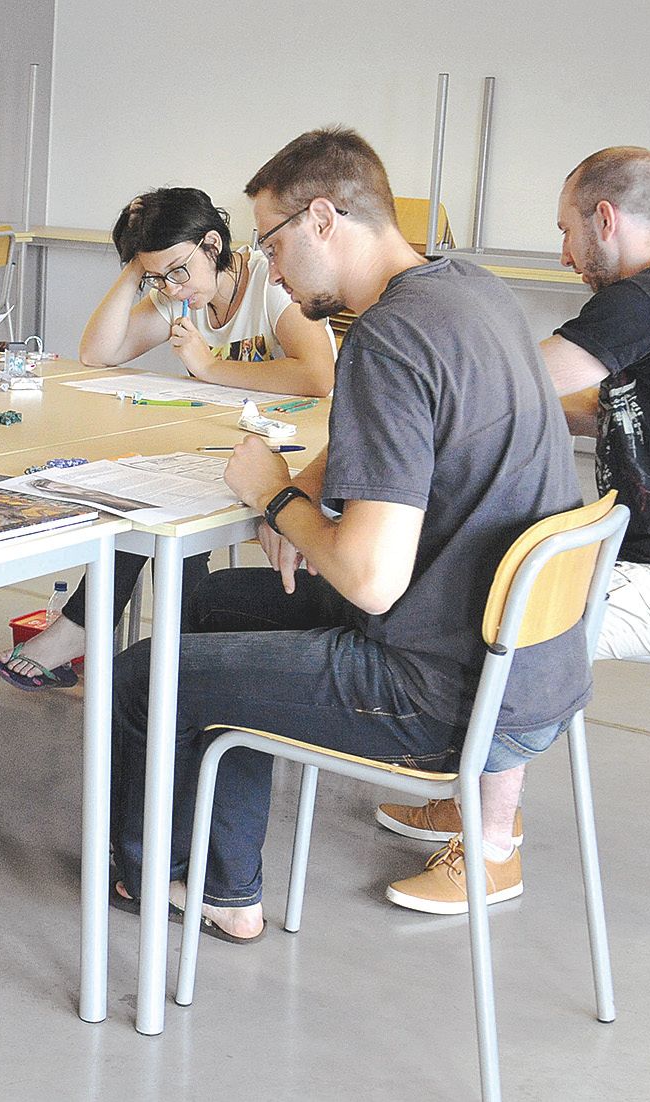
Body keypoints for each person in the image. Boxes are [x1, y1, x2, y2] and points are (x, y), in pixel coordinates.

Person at [109, 127, 588, 943]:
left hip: (440, 687)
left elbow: (369, 579)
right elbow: (401, 433)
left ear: (323, 218)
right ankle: (229, 883)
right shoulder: (467, 290)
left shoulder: (386, 341)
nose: (276, 273)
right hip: (521, 664)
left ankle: (159, 877)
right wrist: (306, 484)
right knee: (218, 606)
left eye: (273, 242)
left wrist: (273, 499)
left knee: (145, 676)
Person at [375, 146, 650, 910]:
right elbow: (590, 406)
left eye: (566, 232)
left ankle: (493, 847)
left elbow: (504, 384)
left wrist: (417, 386)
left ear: (605, 217)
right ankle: (469, 792)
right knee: (492, 579)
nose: (565, 256)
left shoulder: (648, 300)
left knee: (517, 617)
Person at [0, 187, 336, 690]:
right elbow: (98, 353)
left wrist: (212, 367)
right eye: (158, 277)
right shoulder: (179, 293)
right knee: (147, 491)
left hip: (299, 450)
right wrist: (135, 270)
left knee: (158, 499)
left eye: (177, 271)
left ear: (212, 245)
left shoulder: (268, 281)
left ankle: (101, 632)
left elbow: (318, 375)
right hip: (228, 443)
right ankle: (171, 645)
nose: (170, 289)